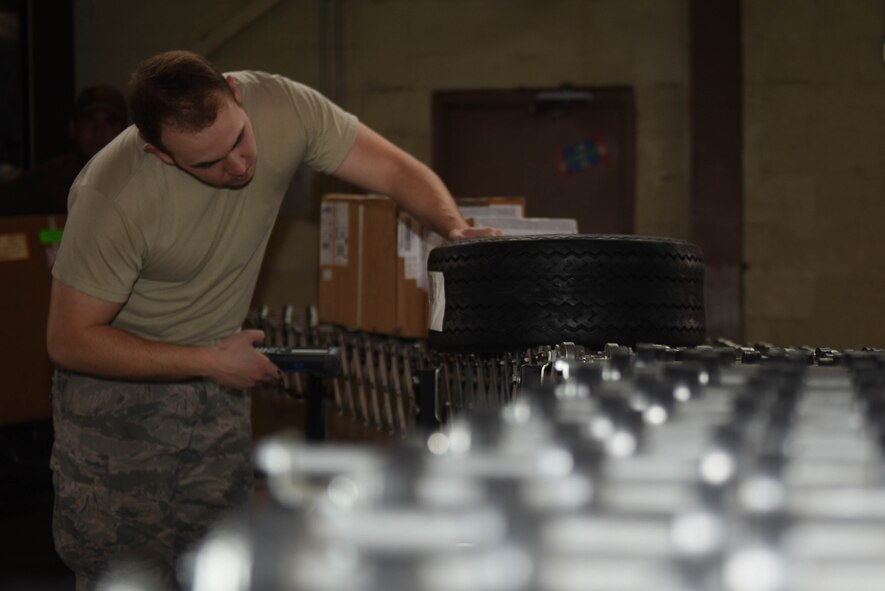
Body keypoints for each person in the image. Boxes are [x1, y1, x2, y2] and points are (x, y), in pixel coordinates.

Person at [45, 50, 500, 589]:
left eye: (238, 140)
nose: (238, 167)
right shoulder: (113, 195)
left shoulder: (282, 105)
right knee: (123, 574)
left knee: (219, 563)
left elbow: (392, 167)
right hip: (116, 405)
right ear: (161, 155)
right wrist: (210, 362)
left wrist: (452, 228)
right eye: (208, 164)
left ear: (236, 96)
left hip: (218, 387)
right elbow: (70, 340)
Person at [0, 85, 127, 215]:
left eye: (109, 123)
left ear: (124, 131)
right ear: (73, 128)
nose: (99, 132)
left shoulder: (136, 178)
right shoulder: (46, 180)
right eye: (89, 121)